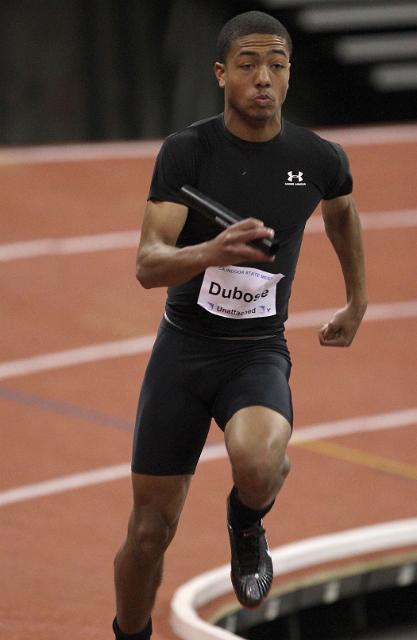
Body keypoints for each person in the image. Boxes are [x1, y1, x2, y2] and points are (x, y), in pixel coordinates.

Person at [112, 10, 368, 639]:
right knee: (149, 531)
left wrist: (357, 301)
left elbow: (341, 215)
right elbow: (148, 265)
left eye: (277, 65)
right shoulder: (188, 152)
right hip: (186, 351)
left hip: (256, 351)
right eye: (249, 65)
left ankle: (247, 522)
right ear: (221, 73)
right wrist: (211, 252)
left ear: (289, 74)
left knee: (258, 460)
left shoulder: (318, 157)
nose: (264, 78)